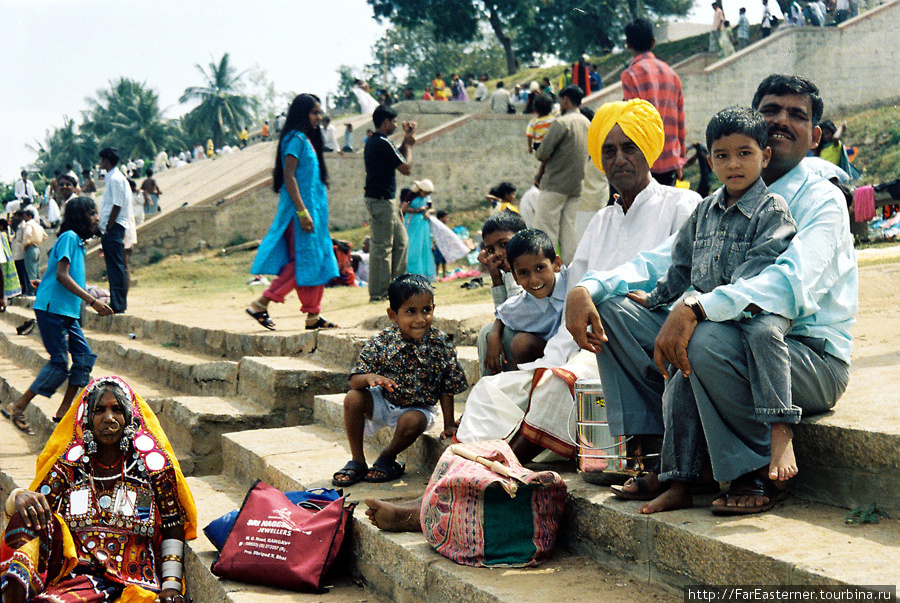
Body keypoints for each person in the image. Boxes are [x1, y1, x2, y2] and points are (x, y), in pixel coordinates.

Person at [365, 100, 699, 531]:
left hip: (637, 353)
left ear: (649, 151)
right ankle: (443, 488)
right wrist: (511, 277)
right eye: (609, 150)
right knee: (490, 393)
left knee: (556, 389)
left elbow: (686, 282)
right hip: (575, 348)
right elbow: (565, 289)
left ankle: (445, 501)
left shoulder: (681, 204)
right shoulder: (600, 221)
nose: (619, 159)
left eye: (629, 148)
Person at [566, 74, 856, 515]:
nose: (781, 120)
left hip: (804, 355)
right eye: (770, 111)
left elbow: (789, 285)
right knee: (613, 312)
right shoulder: (719, 199)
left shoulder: (822, 199)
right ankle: (671, 458)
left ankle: (752, 470)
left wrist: (698, 305)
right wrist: (590, 286)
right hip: (726, 338)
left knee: (703, 335)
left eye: (796, 115)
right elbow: (665, 260)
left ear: (814, 136)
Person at [627, 105, 799, 491]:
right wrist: (656, 297)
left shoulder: (772, 210)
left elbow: (759, 270)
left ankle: (780, 430)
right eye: (722, 155)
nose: (733, 164)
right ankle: (679, 479)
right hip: (708, 316)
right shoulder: (704, 210)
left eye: (745, 153)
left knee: (764, 336)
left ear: (764, 156)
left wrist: (710, 306)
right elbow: (681, 267)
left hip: (755, 307)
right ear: (709, 160)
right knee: (679, 383)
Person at [1, 376, 197, 603]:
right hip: (74, 577)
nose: (109, 418)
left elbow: (173, 526)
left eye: (117, 409)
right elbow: (39, 503)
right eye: (99, 410)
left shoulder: (153, 468)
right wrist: (18, 497)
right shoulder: (71, 466)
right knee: (27, 516)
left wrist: (171, 586)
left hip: (133, 581)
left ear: (129, 417)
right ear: (88, 419)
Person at [332, 274, 468, 486]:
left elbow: (446, 386)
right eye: (410, 312)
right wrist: (371, 377)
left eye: (426, 310)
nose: (420, 319)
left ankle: (387, 457)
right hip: (384, 402)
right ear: (393, 315)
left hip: (418, 409)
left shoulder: (440, 343)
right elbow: (354, 380)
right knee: (353, 398)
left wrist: (448, 424)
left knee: (413, 420)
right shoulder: (382, 341)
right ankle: (357, 461)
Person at [1, 197, 113, 434]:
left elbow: (58, 275)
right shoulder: (69, 237)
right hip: (53, 311)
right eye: (92, 213)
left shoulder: (78, 243)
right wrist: (92, 301)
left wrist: (47, 283)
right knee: (60, 364)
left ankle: (63, 412)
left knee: (83, 358)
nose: (96, 217)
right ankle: (18, 406)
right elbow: (62, 275)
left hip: (65, 311)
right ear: (80, 216)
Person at [246, 93, 340, 331]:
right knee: (304, 263)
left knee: (317, 261)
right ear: (302, 114)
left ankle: (313, 315)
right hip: (301, 213)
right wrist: (302, 212)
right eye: (314, 112)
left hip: (314, 212)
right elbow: (289, 176)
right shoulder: (296, 139)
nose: (319, 117)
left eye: (319, 112)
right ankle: (261, 302)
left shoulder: (307, 140)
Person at [622, 19, 686, 187]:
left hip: (644, 161)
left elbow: (632, 121)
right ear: (653, 42)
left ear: (628, 44)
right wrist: (681, 158)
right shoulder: (671, 74)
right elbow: (680, 120)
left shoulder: (631, 75)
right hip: (670, 161)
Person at [491, 229, 568, 369]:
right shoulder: (525, 303)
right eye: (523, 273)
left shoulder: (573, 282)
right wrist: (494, 336)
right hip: (554, 360)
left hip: (584, 355)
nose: (533, 280)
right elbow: (502, 313)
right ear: (515, 278)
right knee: (521, 343)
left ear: (556, 263)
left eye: (540, 268)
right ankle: (526, 388)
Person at [364, 104, 417, 302]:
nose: (395, 124)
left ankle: (395, 287)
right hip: (380, 201)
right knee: (382, 247)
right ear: (385, 122)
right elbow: (406, 168)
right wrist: (410, 145)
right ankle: (379, 293)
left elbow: (397, 156)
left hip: (387, 200)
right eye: (394, 121)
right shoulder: (380, 142)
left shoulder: (379, 142)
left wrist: (407, 139)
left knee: (401, 242)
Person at [533, 85, 590, 265]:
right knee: (570, 234)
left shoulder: (562, 122)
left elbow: (542, 153)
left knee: (545, 232)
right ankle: (570, 272)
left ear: (565, 100)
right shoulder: (587, 123)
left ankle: (546, 270)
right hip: (576, 185)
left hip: (555, 184)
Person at [476, 211, 526, 376]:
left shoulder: (531, 270)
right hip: (519, 329)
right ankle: (489, 391)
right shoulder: (506, 274)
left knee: (497, 334)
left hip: (537, 338)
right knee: (487, 332)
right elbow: (504, 311)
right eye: (490, 250)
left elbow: (516, 315)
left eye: (504, 244)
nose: (496, 253)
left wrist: (496, 334)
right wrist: (496, 279)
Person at [98, 147, 131, 314]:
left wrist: (109, 226)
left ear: (107, 161)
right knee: (112, 266)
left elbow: (117, 205)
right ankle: (116, 301)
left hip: (115, 226)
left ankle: (118, 303)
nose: (100, 163)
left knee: (116, 266)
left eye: (102, 160)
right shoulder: (111, 178)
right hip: (111, 227)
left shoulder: (116, 179)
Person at [401, 180, 437, 281]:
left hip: (423, 225)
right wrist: (417, 210)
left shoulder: (427, 198)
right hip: (412, 223)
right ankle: (411, 273)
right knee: (413, 247)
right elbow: (403, 208)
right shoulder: (410, 196)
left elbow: (432, 208)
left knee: (424, 247)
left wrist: (427, 211)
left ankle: (424, 274)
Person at [21, 206, 45, 291]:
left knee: (31, 272)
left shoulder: (29, 224)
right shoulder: (38, 225)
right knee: (37, 271)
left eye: (25, 216)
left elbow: (27, 234)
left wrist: (25, 245)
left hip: (30, 248)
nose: (24, 218)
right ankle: (39, 290)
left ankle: (31, 291)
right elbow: (45, 236)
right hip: (36, 248)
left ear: (30, 216)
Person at [433, 210, 450, 278]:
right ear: (440, 218)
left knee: (444, 261)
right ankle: (436, 274)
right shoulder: (437, 226)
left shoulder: (444, 226)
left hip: (445, 245)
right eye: (446, 217)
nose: (447, 219)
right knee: (438, 261)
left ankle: (444, 274)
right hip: (439, 246)